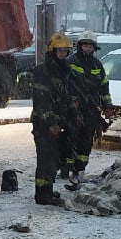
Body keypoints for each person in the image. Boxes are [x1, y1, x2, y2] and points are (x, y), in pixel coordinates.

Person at [29, 32, 77, 207]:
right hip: (44, 123)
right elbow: (42, 100)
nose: (64, 54)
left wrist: (73, 112)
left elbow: (66, 96)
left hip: (60, 121)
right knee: (46, 159)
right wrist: (51, 123)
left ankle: (47, 189)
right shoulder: (43, 71)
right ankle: (42, 195)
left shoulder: (64, 70)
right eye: (60, 51)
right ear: (52, 51)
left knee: (55, 158)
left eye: (66, 51)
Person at [63, 35, 112, 189]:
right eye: (85, 45)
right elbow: (63, 84)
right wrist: (70, 100)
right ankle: (66, 169)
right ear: (80, 46)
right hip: (74, 109)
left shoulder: (97, 65)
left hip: (91, 110)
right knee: (70, 138)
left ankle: (79, 169)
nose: (87, 49)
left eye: (90, 46)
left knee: (86, 141)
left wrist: (107, 105)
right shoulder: (70, 62)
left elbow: (104, 86)